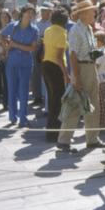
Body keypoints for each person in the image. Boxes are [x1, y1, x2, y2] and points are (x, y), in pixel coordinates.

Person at [57, 0, 105, 151]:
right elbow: (73, 55)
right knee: (74, 104)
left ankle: (92, 138)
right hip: (81, 68)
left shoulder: (88, 29)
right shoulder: (76, 30)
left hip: (90, 68)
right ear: (83, 14)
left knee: (93, 105)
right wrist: (75, 77)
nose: (94, 13)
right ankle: (63, 140)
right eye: (91, 11)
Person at [1, 4, 39, 127]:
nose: (30, 15)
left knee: (23, 91)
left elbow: (32, 48)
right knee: (11, 88)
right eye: (28, 12)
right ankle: (12, 116)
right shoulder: (12, 26)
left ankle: (23, 117)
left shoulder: (34, 30)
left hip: (26, 63)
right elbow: (1, 35)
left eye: (32, 13)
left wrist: (14, 45)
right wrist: (6, 45)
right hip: (12, 61)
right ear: (22, 13)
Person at [41, 8, 71, 143]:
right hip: (55, 67)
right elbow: (59, 57)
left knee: (52, 100)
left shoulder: (48, 30)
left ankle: (50, 132)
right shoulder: (62, 33)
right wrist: (66, 74)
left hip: (46, 65)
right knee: (57, 102)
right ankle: (55, 133)